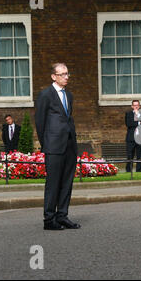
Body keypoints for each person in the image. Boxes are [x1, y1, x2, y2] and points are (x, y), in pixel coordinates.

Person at [35, 63, 80, 230]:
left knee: (67, 182)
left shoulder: (69, 95)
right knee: (53, 183)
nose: (66, 77)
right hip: (53, 146)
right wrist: (46, 143)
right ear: (54, 76)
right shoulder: (45, 94)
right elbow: (40, 122)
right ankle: (49, 219)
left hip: (69, 145)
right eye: (62, 74)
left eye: (67, 74)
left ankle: (62, 216)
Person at [125, 100, 141, 173]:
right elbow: (129, 124)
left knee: (140, 156)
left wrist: (138, 116)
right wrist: (139, 122)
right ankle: (128, 171)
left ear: (139, 106)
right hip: (131, 138)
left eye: (137, 105)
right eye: (134, 105)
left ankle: (138, 171)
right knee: (130, 155)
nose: (136, 106)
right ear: (132, 106)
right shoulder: (128, 114)